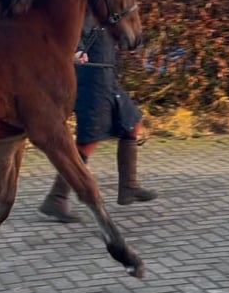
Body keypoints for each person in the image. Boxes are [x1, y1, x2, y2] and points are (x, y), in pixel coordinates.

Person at [38, 12, 157, 223]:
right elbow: (71, 33)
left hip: (107, 78)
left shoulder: (105, 7)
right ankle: (57, 198)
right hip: (91, 82)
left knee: (132, 124)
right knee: (88, 140)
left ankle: (128, 186)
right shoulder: (85, 7)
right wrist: (77, 51)